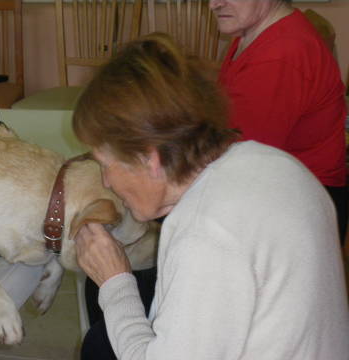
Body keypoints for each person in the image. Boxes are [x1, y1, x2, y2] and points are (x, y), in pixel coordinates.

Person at [72, 33, 349, 359]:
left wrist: (115, 281)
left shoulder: (204, 235)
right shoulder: (276, 163)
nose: (106, 182)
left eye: (107, 165)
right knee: (102, 337)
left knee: (102, 339)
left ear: (149, 159)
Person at [212, 0, 348, 244]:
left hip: (301, 209)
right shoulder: (253, 34)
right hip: (278, 190)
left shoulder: (280, 54)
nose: (214, 4)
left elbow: (242, 167)